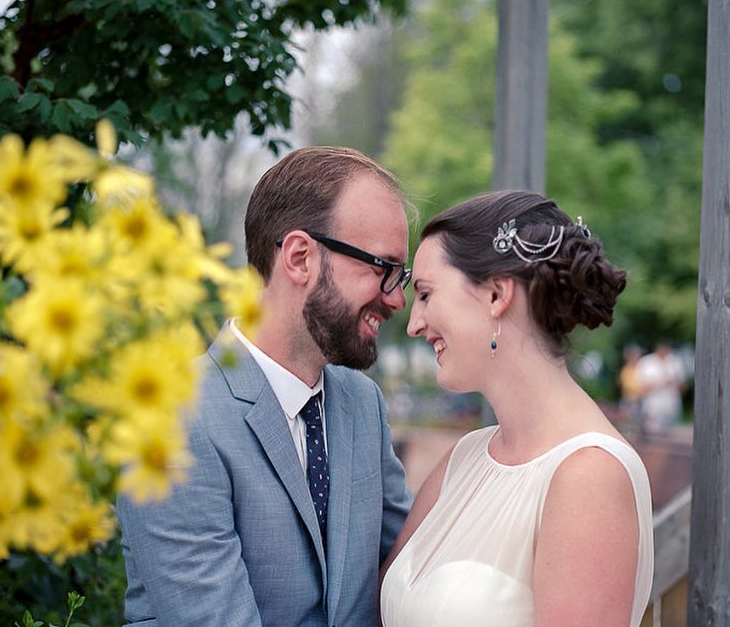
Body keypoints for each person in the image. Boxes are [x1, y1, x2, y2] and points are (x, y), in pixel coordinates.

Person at [117, 146, 414, 627]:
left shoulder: (362, 403)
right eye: (382, 269)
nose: (397, 298)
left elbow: (410, 567)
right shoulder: (172, 418)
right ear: (299, 258)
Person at [380, 190, 653, 626]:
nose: (414, 323)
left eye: (426, 294)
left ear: (496, 295)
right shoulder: (463, 459)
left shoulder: (589, 477)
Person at [637, 342, 685, 433]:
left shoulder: (675, 361)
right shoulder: (646, 362)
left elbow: (682, 386)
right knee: (653, 431)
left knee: (671, 432)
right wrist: (659, 383)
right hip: (653, 403)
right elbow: (641, 387)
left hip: (671, 402)